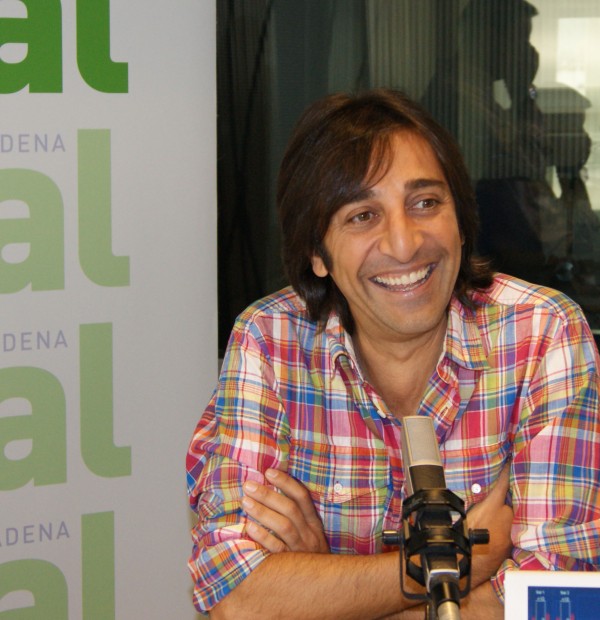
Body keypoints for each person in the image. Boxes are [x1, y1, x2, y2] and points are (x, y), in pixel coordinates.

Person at [187, 89, 600, 619]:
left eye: (425, 203)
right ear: (316, 252)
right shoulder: (269, 342)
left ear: (460, 218)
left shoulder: (542, 333)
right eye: (363, 215)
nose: (404, 244)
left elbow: (554, 601)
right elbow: (236, 598)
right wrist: (463, 560)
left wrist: (323, 589)